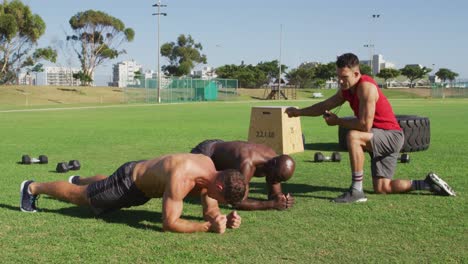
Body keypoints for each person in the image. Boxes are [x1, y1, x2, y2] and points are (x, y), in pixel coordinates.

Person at [285, 53, 456, 203]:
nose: (341, 81)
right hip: (378, 137)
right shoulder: (346, 89)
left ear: (356, 73)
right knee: (382, 187)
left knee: (353, 136)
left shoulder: (366, 88)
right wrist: (298, 112)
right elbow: (324, 105)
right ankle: (426, 184)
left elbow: (364, 126)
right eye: (339, 77)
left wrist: (338, 121)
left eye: (344, 77)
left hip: (391, 136)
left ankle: (356, 190)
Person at [20, 153, 246, 234]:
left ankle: (79, 178)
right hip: (129, 182)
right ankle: (32, 188)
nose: (220, 203)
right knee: (82, 197)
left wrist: (219, 218)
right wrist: (206, 227)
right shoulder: (184, 177)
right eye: (223, 200)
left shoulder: (210, 169)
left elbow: (211, 206)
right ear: (219, 187)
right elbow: (169, 223)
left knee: (102, 185)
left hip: (143, 184)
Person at [190, 139, 295, 210]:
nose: (276, 181)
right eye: (276, 177)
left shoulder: (273, 160)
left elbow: (274, 191)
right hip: (207, 153)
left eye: (279, 179)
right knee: (193, 187)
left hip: (220, 148)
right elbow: (237, 201)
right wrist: (271, 204)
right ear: (272, 166)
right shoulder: (247, 164)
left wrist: (281, 198)